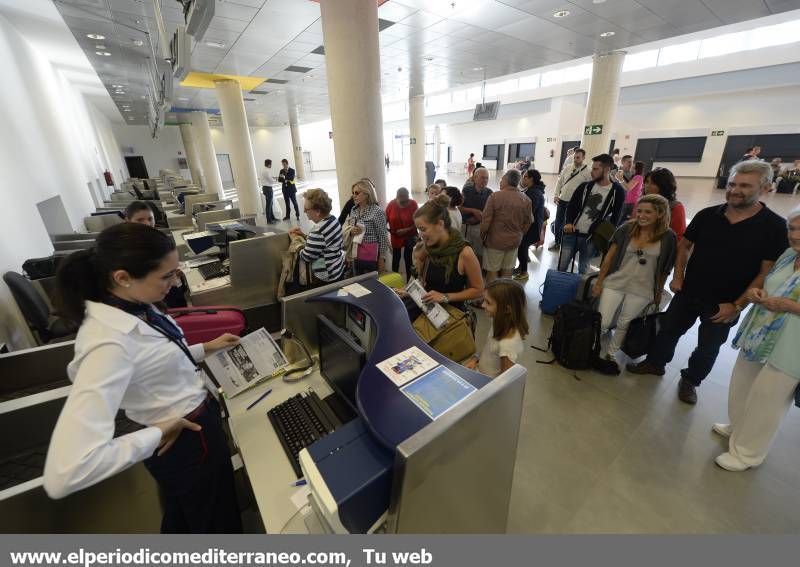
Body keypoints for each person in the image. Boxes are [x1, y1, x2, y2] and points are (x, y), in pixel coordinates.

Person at [43, 223, 243, 533]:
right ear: (122, 278)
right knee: (216, 523)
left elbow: (153, 360)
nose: (176, 283)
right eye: (166, 276)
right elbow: (65, 472)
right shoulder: (107, 343)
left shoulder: (136, 306)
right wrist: (153, 435)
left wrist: (206, 347)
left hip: (194, 426)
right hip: (183, 439)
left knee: (186, 517)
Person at [627, 160, 789, 405]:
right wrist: (678, 276)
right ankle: (655, 363)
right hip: (690, 291)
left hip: (726, 303)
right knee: (668, 330)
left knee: (708, 347)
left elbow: (764, 273)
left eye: (745, 185)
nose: (735, 190)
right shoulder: (708, 215)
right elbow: (684, 246)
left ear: (766, 188)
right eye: (733, 183)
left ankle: (691, 380)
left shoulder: (774, 227)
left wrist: (737, 305)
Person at [713, 207, 800, 471]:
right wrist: (757, 293)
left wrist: (790, 306)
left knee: (768, 399)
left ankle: (748, 452)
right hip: (759, 332)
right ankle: (738, 427)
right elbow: (769, 282)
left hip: (791, 345)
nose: (794, 235)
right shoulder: (788, 255)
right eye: (792, 229)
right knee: (743, 383)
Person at [593, 195, 677, 371]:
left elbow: (665, 269)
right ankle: (591, 349)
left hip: (643, 288)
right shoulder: (626, 229)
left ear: (660, 214)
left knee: (625, 323)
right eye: (639, 211)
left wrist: (658, 292)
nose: (641, 215)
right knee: (604, 321)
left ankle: (610, 354)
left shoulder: (668, 237)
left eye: (648, 212)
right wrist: (599, 282)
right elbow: (608, 258)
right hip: (616, 282)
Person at [411, 195, 484, 313]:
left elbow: (478, 289)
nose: (420, 235)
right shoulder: (428, 248)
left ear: (440, 224)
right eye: (418, 230)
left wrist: (445, 297)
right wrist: (411, 291)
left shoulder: (465, 253)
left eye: (423, 229)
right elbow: (423, 281)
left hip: (452, 319)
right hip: (428, 312)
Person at [559, 154, 625, 274]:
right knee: (561, 267)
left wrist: (606, 237)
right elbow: (571, 206)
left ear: (606, 169)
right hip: (572, 233)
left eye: (595, 169)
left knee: (583, 270)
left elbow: (616, 217)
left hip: (592, 238)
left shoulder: (617, 191)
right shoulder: (585, 186)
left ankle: (579, 292)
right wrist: (568, 222)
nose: (592, 172)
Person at [464, 279, 528, 378]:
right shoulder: (499, 322)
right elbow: (489, 348)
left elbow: (504, 382)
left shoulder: (507, 345)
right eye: (484, 300)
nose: (482, 305)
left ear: (507, 309)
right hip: (480, 372)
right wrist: (476, 359)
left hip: (487, 385)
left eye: (488, 303)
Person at [480, 169, 532, 283]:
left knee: (492, 272)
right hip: (514, 242)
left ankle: (492, 298)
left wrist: (482, 236)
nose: (500, 182)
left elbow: (485, 221)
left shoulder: (495, 197)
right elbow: (528, 222)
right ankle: (504, 298)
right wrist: (519, 234)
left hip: (495, 241)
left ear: (507, 180)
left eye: (502, 179)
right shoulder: (526, 199)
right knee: (507, 272)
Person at [289, 188, 346, 284]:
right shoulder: (333, 220)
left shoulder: (318, 230)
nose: (304, 211)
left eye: (306, 209)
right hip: (337, 270)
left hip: (325, 277)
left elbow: (306, 256)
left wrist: (295, 240)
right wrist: (303, 235)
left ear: (318, 211)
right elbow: (323, 243)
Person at [344, 178, 389, 275]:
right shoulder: (353, 210)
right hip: (355, 252)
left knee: (371, 284)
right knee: (358, 283)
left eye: (357, 193)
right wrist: (351, 231)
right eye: (353, 193)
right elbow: (350, 227)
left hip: (371, 255)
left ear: (366, 193)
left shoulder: (377, 211)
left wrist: (382, 258)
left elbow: (382, 236)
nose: (353, 196)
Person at [550, 148, 591, 252]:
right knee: (558, 222)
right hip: (562, 200)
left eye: (578, 157)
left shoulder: (587, 172)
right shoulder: (567, 168)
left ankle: (565, 244)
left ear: (583, 158)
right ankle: (557, 242)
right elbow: (559, 182)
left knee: (567, 224)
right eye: (574, 157)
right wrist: (556, 195)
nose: (575, 159)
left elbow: (590, 189)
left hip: (574, 204)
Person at [514, 169, 546, 281]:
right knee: (522, 246)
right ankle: (521, 267)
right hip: (532, 225)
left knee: (522, 246)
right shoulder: (533, 190)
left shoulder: (534, 192)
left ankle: (524, 272)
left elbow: (530, 212)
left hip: (532, 227)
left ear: (531, 179)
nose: (523, 178)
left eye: (525, 176)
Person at [460, 167, 492, 265]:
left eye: (487, 178)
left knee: (479, 252)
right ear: (474, 178)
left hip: (479, 228)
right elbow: (459, 208)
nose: (485, 180)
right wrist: (473, 211)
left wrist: (479, 218)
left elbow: (490, 213)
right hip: (465, 226)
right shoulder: (466, 190)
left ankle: (479, 273)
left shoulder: (490, 193)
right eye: (482, 177)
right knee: (464, 251)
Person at [643, 167, 686, 241]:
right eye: (646, 182)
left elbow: (678, 237)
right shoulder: (641, 203)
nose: (647, 186)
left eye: (653, 183)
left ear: (664, 186)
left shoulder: (675, 207)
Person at [385, 187, 419, 279]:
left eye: (406, 201)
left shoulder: (413, 204)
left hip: (410, 236)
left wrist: (406, 230)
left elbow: (418, 222)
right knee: (396, 259)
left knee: (408, 259)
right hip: (395, 236)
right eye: (401, 201)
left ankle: (408, 282)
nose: (404, 204)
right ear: (397, 197)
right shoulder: (391, 205)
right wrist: (386, 230)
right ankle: (394, 280)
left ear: (408, 197)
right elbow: (385, 220)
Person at [260, 159, 277, 223]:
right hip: (268, 188)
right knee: (269, 204)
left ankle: (272, 218)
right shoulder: (266, 171)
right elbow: (270, 180)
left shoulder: (263, 170)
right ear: (269, 164)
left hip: (265, 188)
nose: (271, 165)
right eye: (271, 164)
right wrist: (276, 180)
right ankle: (269, 220)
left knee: (270, 203)